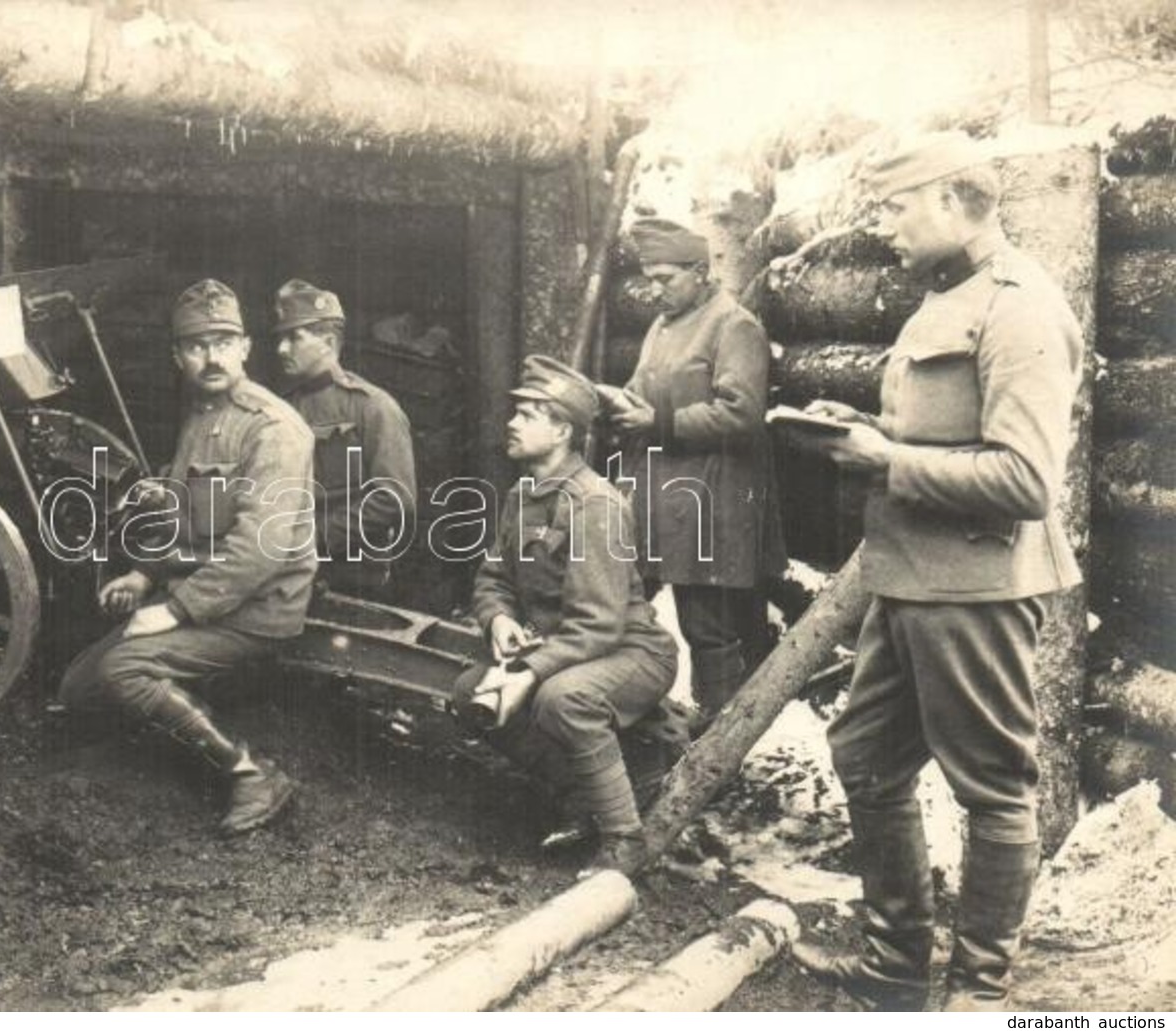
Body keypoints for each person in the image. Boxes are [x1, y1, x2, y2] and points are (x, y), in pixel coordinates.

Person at [788, 133, 1084, 1010]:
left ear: (954, 202)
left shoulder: (1019, 305)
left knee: (991, 788)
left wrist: (885, 461)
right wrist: (864, 430)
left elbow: (1025, 481)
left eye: (893, 206)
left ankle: (977, 990)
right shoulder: (944, 296)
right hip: (906, 578)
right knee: (866, 758)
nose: (881, 225)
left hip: (975, 585)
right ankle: (893, 966)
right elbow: (943, 432)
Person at [57, 279, 318, 835]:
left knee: (124, 667)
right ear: (179, 357)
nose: (212, 356)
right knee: (79, 689)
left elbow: (260, 548)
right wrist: (142, 573)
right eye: (198, 345)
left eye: (224, 341)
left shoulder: (273, 428)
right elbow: (180, 514)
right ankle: (170, 709)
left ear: (246, 347)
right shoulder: (201, 417)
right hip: (205, 597)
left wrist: (173, 611)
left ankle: (250, 771)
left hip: (258, 609)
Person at [452, 354, 678, 874]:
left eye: (527, 415)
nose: (511, 423)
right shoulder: (523, 495)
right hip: (568, 648)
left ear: (561, 430)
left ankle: (624, 841)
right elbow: (492, 578)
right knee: (471, 694)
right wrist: (499, 620)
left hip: (631, 651)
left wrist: (529, 672)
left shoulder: (594, 505)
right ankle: (582, 797)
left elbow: (599, 623)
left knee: (562, 699)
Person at [598, 218, 785, 722]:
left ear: (700, 271)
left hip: (712, 493)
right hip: (661, 490)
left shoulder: (734, 325)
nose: (653, 290)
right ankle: (633, 712)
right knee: (622, 599)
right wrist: (617, 402)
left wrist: (657, 421)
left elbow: (741, 416)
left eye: (666, 278)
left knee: (708, 622)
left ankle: (719, 734)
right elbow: (640, 387)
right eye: (648, 278)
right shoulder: (663, 325)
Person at [274, 279, 417, 598]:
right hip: (283, 574)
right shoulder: (279, 409)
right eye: (281, 338)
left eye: (294, 337)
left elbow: (394, 500)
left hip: (353, 578)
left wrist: (312, 539)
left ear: (327, 340)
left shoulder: (373, 408)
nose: (281, 348)